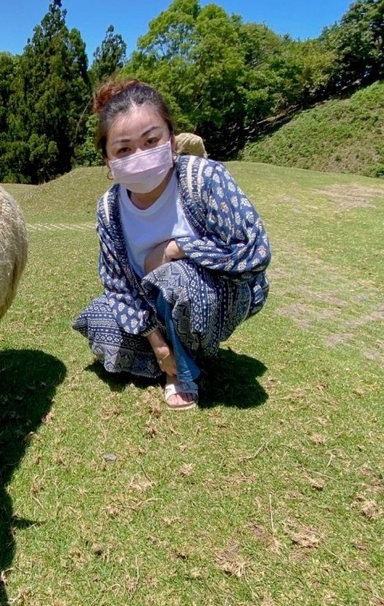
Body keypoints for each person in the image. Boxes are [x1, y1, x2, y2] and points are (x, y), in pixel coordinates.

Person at [72, 79, 270, 410]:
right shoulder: (109, 209)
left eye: (151, 141)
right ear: (107, 161)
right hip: (156, 310)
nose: (140, 156)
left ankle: (181, 374)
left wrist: (176, 250)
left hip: (221, 294)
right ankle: (171, 355)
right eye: (124, 149)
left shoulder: (204, 178)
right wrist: (157, 343)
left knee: (172, 277)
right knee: (97, 317)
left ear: (171, 139)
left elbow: (253, 251)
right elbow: (118, 286)